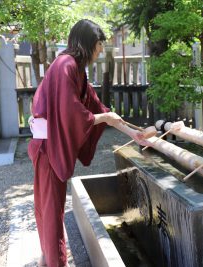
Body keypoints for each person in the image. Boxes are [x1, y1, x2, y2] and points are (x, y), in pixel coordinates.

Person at [28, 19, 150, 267]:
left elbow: (100, 110)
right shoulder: (65, 65)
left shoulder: (76, 70)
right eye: (99, 45)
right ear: (88, 44)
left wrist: (133, 134)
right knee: (51, 213)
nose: (100, 51)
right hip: (48, 149)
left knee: (48, 209)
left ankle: (46, 259)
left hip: (50, 148)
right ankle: (53, 262)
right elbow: (71, 113)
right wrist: (104, 117)